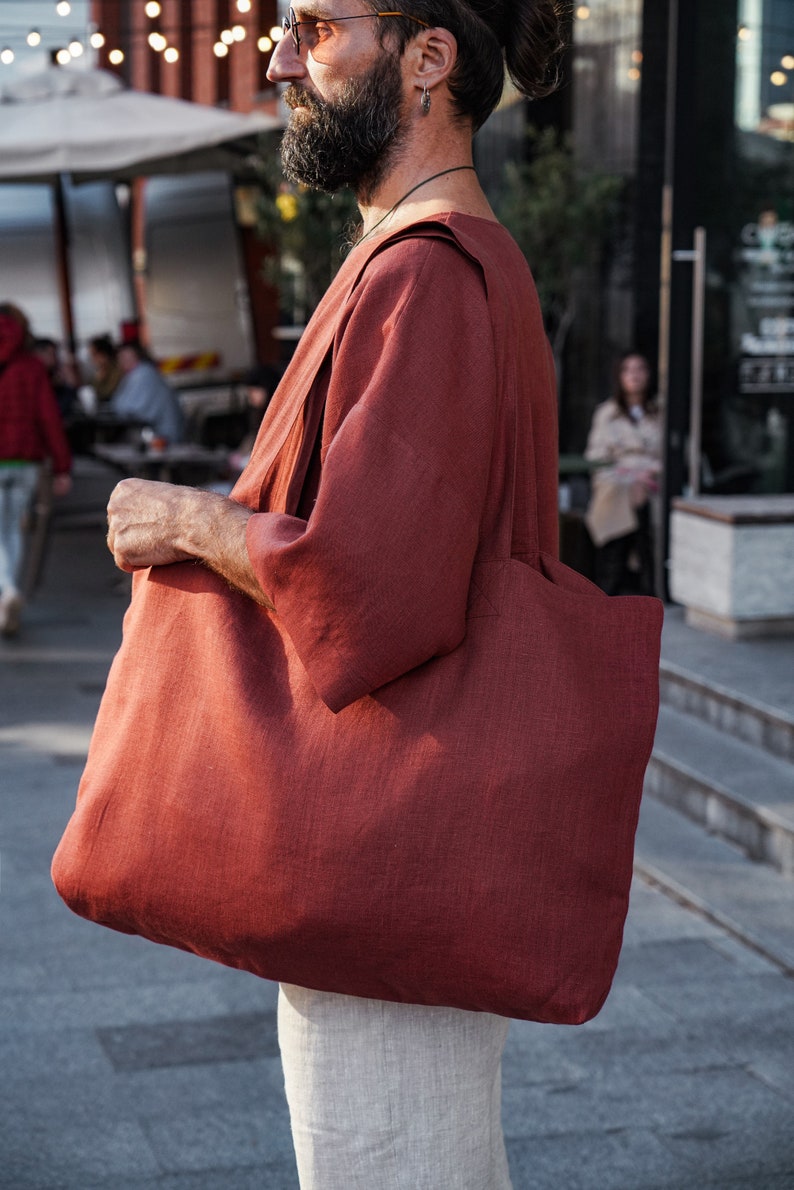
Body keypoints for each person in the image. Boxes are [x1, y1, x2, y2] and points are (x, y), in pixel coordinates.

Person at [103, 2, 564, 1186]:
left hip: (386, 863)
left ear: (426, 59)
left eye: (311, 25)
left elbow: (371, 586)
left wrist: (190, 519)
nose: (273, 55)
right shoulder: (439, 258)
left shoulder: (424, 272)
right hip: (405, 846)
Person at [0, 304, 72, 637]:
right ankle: (9, 592)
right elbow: (49, 418)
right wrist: (61, 467)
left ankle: (9, 589)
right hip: (25, 460)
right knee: (13, 529)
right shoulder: (31, 366)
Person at [584, 350, 662, 596]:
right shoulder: (606, 413)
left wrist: (647, 473)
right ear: (619, 376)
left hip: (655, 482)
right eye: (628, 370)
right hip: (618, 481)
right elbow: (596, 458)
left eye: (640, 369)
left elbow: (676, 453)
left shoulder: (661, 412)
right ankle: (612, 584)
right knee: (621, 497)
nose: (634, 375)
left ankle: (649, 584)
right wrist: (629, 475)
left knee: (645, 504)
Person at [111, 339, 185, 444]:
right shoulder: (135, 374)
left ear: (136, 357)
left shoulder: (143, 374)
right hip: (157, 433)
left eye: (125, 358)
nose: (122, 362)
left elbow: (129, 409)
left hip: (164, 437)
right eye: (120, 358)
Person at [87, 334, 123, 404]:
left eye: (94, 355)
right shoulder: (101, 370)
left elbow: (106, 394)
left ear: (103, 354)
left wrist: (98, 380)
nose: (92, 359)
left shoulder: (115, 370)